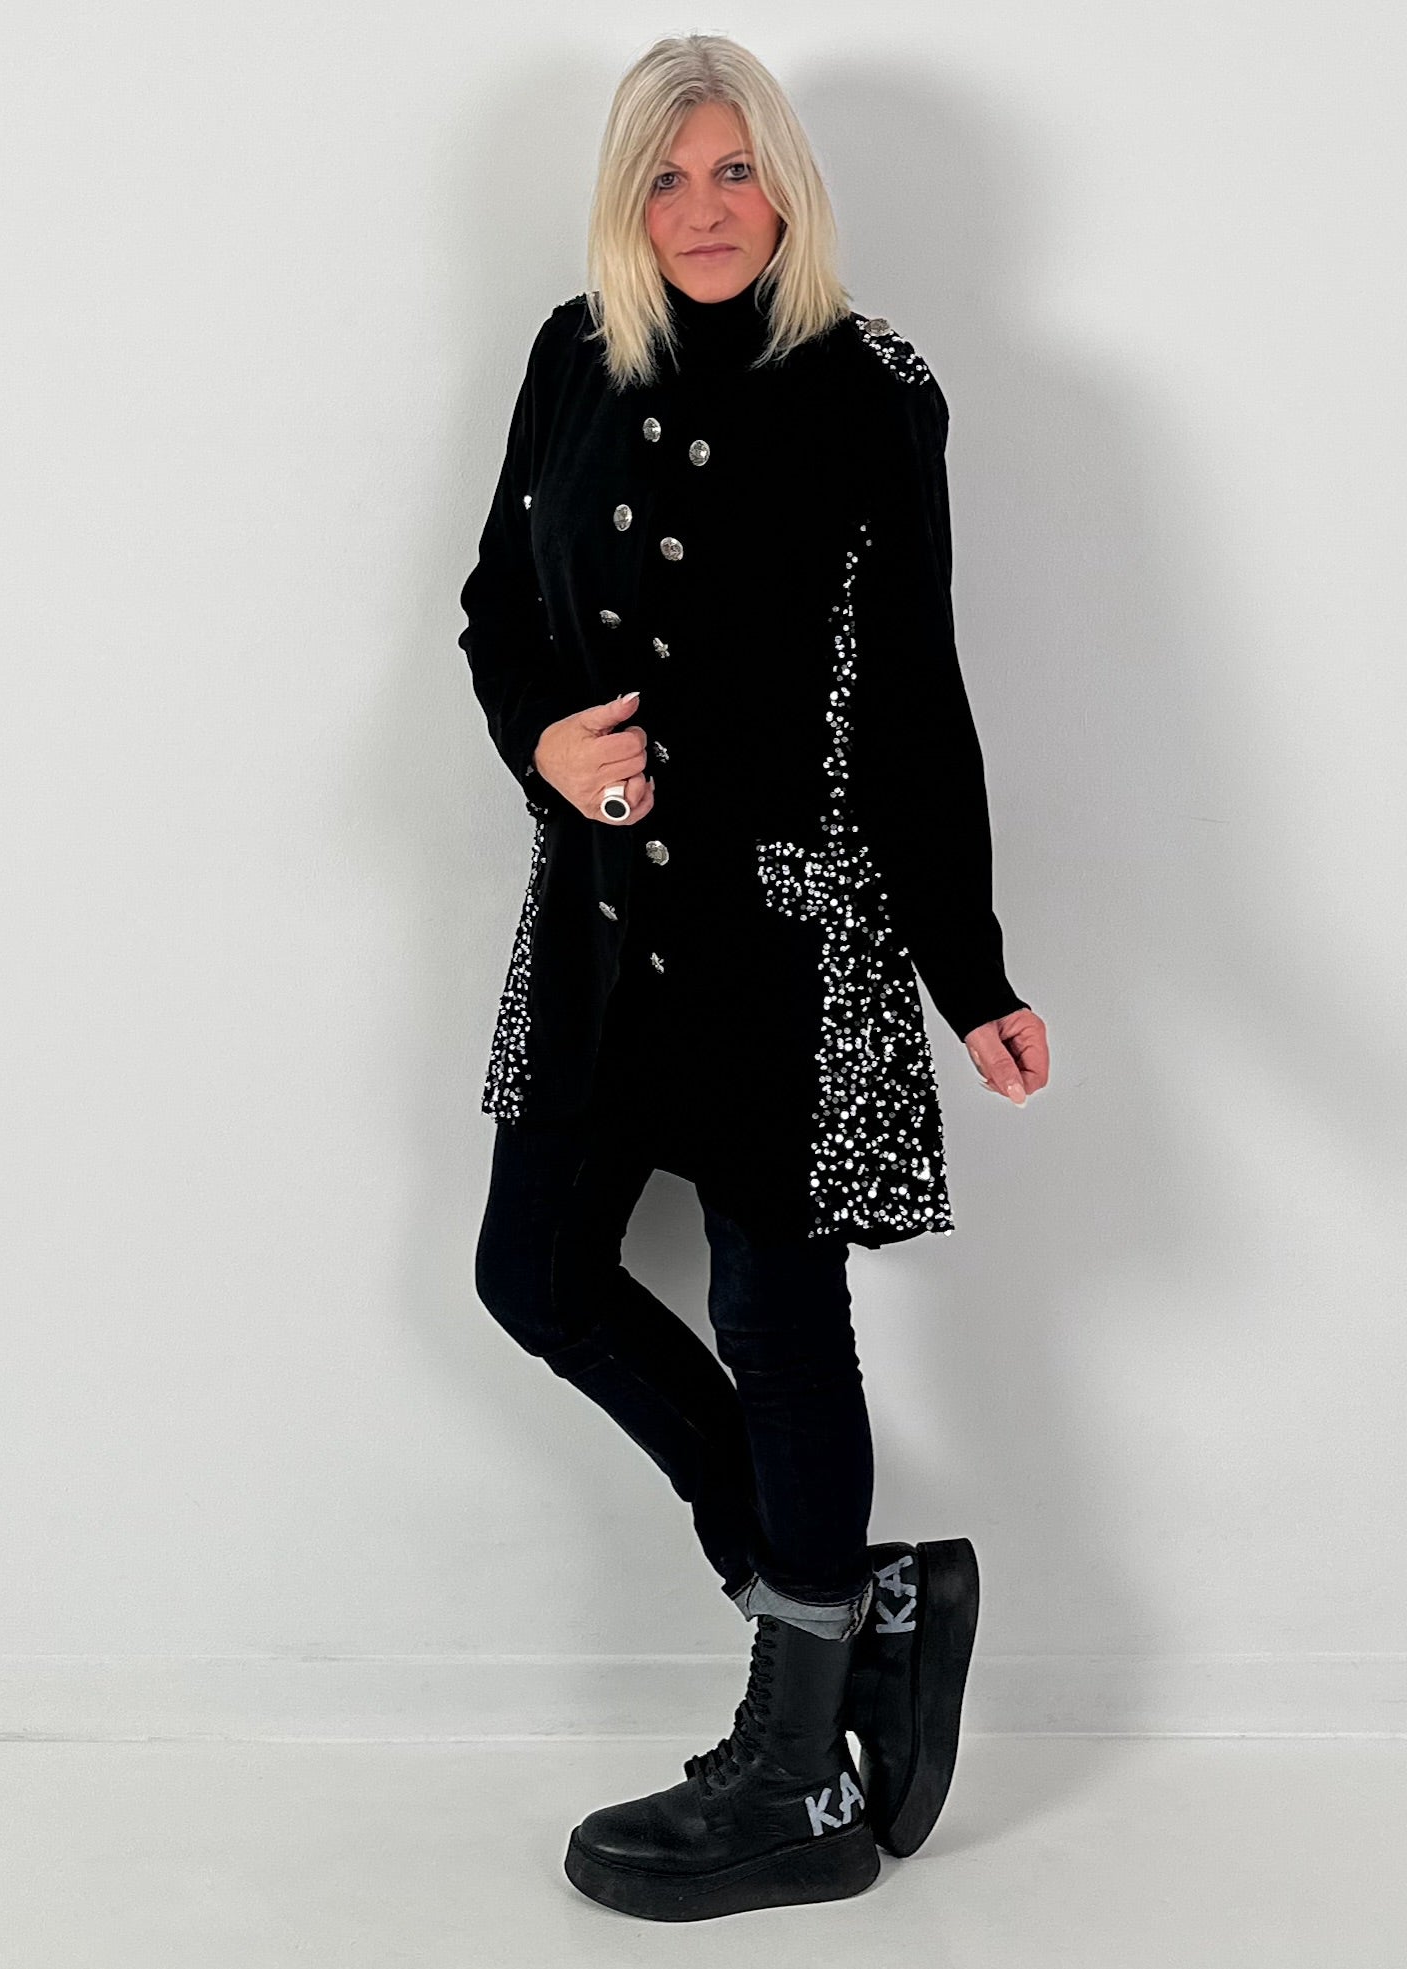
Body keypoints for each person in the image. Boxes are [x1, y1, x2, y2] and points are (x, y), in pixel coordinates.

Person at [457, 32, 1050, 1923]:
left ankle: (798, 1774)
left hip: (788, 934)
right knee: (535, 1274)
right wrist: (545, 741)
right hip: (595, 923)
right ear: (625, 200)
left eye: (734, 171)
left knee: (781, 1326)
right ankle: (855, 1604)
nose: (703, 208)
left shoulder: (871, 391)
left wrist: (972, 973)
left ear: (785, 186)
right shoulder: (574, 352)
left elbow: (918, 701)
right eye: (666, 176)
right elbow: (493, 604)